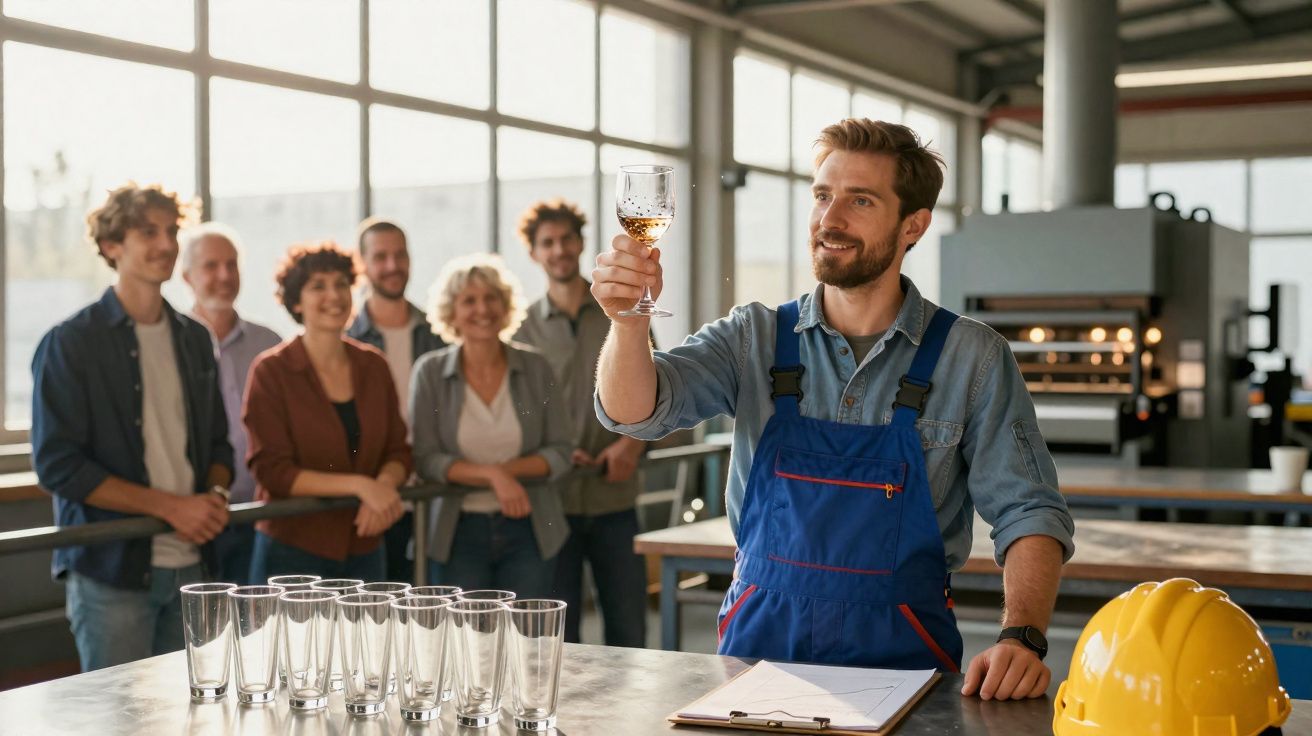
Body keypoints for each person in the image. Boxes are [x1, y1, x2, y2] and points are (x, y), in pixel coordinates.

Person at [592, 119, 1075, 700]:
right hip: (757, 665)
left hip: (908, 667)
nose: (830, 219)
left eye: (860, 200)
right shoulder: (754, 337)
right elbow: (636, 412)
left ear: (913, 226)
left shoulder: (971, 358)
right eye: (822, 195)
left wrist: (1022, 636)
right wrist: (628, 321)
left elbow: (1031, 511)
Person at [31, 182, 233, 671]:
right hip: (111, 575)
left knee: (188, 717)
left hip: (192, 565)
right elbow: (59, 466)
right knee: (116, 721)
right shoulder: (70, 342)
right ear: (111, 245)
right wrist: (172, 508)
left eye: (171, 230)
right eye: (148, 231)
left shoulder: (194, 339)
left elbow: (218, 447)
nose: (166, 244)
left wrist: (214, 498)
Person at [513, 199, 648, 647]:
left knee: (629, 628)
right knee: (559, 635)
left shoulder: (623, 310)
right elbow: (517, 412)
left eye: (566, 239)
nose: (558, 250)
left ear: (581, 243)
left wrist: (630, 445)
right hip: (552, 506)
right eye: (547, 243)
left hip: (615, 498)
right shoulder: (521, 329)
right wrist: (547, 451)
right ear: (533, 253)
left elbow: (657, 383)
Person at [243, 243, 411, 581]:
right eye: (317, 286)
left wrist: (383, 488)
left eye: (340, 284)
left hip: (365, 543)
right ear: (295, 302)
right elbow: (272, 471)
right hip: (292, 552)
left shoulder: (373, 365)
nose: (333, 295)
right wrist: (362, 487)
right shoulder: (271, 370)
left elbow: (399, 451)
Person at [411, 254, 571, 597]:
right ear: (451, 312)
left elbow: (560, 451)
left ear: (506, 305)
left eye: (491, 298)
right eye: (469, 300)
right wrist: (495, 477)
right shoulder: (430, 372)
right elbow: (425, 459)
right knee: (463, 643)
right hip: (457, 533)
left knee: (527, 640)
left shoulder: (536, 367)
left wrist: (506, 472)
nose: (482, 309)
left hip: (530, 529)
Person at [179, 223, 282, 585]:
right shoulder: (172, 344)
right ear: (187, 276)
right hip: (197, 520)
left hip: (263, 514)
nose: (224, 275)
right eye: (211, 266)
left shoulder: (269, 343)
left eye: (232, 264)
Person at [346, 217, 445, 584]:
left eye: (400, 255)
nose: (392, 266)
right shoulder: (346, 338)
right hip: (372, 502)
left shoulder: (437, 333)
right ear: (363, 264)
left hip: (431, 497)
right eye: (381, 256)